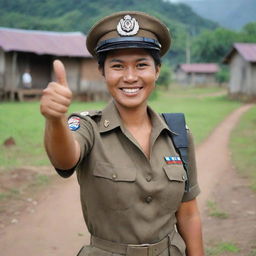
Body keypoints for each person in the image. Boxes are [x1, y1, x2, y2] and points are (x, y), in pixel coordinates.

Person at [40, 11, 204, 256]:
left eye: (141, 65)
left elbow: (189, 214)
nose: (130, 77)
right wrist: (55, 120)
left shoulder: (178, 133)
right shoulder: (87, 127)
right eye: (117, 66)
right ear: (103, 72)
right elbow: (65, 158)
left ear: (157, 71)